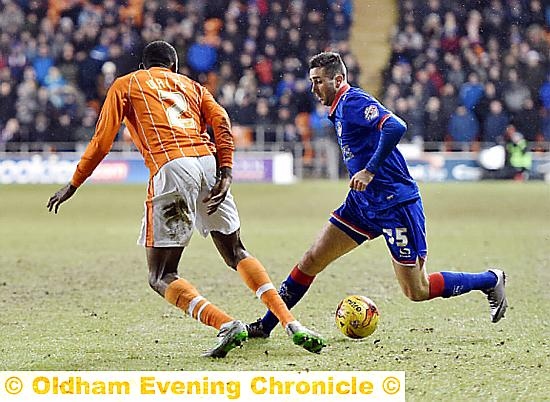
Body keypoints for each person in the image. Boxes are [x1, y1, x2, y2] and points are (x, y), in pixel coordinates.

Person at [47, 40, 325, 357]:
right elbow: (221, 120)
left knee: (161, 275)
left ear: (144, 65)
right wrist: (226, 171)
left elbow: (102, 140)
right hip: (208, 163)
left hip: (172, 166)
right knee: (236, 251)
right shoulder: (191, 86)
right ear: (174, 67)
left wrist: (74, 183)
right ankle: (290, 323)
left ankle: (226, 324)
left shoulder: (127, 83)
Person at [247, 51, 508, 339]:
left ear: (338, 79)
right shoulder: (338, 108)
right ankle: (266, 325)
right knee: (311, 260)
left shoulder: (353, 101)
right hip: (362, 205)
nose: (314, 88)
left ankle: (490, 279)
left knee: (416, 290)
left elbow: (396, 125)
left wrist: (370, 170)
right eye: (312, 82)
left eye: (319, 81)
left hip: (395, 205)